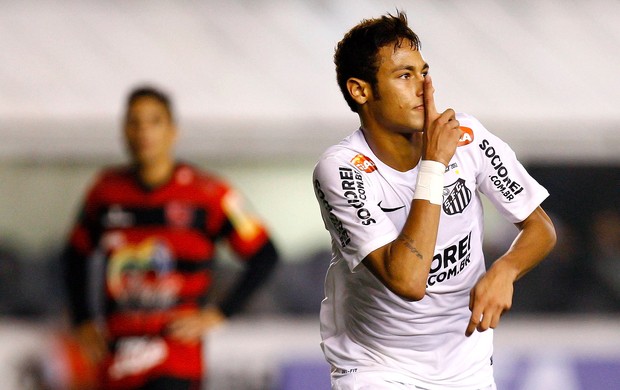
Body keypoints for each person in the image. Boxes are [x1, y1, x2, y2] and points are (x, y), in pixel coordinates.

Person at [312, 11, 556, 389]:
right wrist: (434, 164)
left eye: (423, 72)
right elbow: (409, 280)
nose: (424, 88)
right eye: (404, 76)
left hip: (466, 364)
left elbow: (540, 227)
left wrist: (505, 269)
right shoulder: (342, 170)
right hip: (377, 366)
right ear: (360, 90)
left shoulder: (467, 136)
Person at [61, 85, 280, 389]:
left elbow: (265, 254)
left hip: (176, 357)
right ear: (123, 131)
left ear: (173, 131)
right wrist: (82, 320)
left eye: (154, 121)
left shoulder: (209, 193)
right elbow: (74, 254)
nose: (143, 132)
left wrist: (220, 313)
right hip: (117, 358)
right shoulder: (105, 192)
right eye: (134, 122)